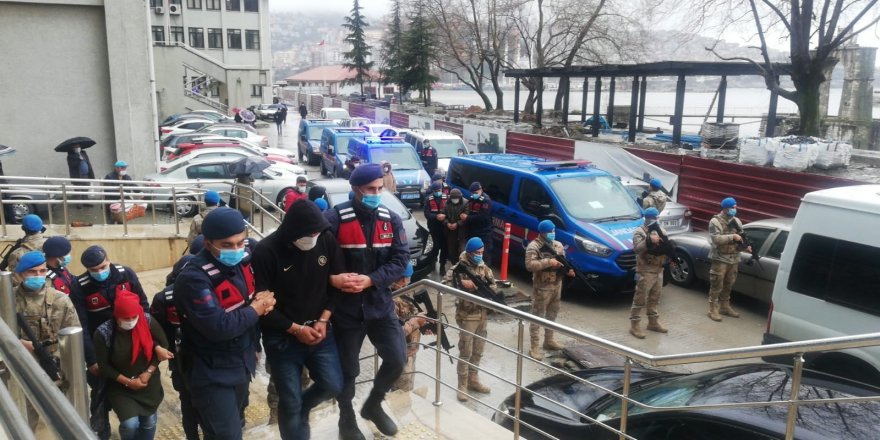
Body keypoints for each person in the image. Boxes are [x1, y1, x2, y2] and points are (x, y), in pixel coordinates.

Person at [174, 208, 276, 439]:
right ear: (209, 243)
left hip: (242, 363)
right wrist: (255, 309)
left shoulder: (244, 257)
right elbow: (218, 326)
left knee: (235, 425)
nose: (237, 249)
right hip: (212, 373)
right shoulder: (194, 278)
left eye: (241, 241)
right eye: (227, 245)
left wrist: (264, 297)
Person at [324, 163, 408, 440]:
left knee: (397, 358)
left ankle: (373, 404)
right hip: (345, 310)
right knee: (348, 371)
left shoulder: (391, 220)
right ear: (356, 189)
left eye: (380, 188)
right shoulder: (334, 219)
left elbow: (400, 261)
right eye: (370, 189)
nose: (376, 193)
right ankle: (346, 419)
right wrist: (334, 279)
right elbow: (316, 261)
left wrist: (372, 279)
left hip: (379, 304)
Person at [252, 199, 344, 439]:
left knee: (333, 384)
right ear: (292, 229)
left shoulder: (325, 239)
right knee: (289, 400)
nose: (313, 237)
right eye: (308, 233)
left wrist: (324, 319)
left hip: (320, 330)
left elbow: (336, 284)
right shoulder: (266, 251)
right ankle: (294, 420)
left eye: (316, 232)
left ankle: (302, 408)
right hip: (282, 338)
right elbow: (262, 306)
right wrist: (294, 329)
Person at [71, 245, 151, 440]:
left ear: (108, 260)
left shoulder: (125, 275)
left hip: (131, 343)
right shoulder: (79, 286)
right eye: (94, 270)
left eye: (103, 266)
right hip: (101, 346)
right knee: (101, 393)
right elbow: (80, 324)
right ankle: (102, 429)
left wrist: (146, 342)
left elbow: (143, 306)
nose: (100, 272)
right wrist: (91, 360)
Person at [14, 251, 80, 431]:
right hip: (20, 367)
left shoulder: (60, 300)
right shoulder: (8, 299)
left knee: (66, 416)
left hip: (55, 366)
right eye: (32, 272)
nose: (38, 276)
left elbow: (73, 336)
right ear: (20, 274)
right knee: (24, 418)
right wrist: (19, 344)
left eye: (42, 271)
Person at [94, 292, 170, 440]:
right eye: (126, 318)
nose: (131, 321)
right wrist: (129, 382)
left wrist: (148, 372)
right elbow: (104, 366)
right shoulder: (104, 333)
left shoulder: (146, 322)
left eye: (134, 317)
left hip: (148, 383)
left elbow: (163, 346)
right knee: (130, 424)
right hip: (120, 386)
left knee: (149, 422)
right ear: (116, 316)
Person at [446, 237, 494, 402]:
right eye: (477, 253)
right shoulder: (457, 268)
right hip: (467, 315)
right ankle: (462, 385)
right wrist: (461, 283)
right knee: (466, 351)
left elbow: (493, 286)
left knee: (478, 350)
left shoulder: (484, 268)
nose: (480, 255)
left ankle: (474, 379)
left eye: (482, 252)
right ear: (469, 252)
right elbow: (446, 285)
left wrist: (478, 286)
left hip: (482, 315)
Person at [525, 220, 573, 358]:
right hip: (542, 287)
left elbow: (563, 262)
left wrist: (568, 270)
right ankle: (534, 346)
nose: (553, 233)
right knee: (538, 316)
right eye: (550, 232)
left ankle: (549, 340)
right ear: (543, 233)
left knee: (552, 314)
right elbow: (529, 265)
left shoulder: (558, 245)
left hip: (557, 285)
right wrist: (548, 262)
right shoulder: (534, 246)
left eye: (553, 231)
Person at [628, 208, 671, 338]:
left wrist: (670, 258)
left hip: (659, 269)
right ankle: (634, 325)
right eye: (654, 217)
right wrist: (649, 240)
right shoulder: (639, 232)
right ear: (647, 218)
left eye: (657, 217)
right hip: (645, 270)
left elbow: (667, 247)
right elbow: (637, 249)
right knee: (640, 298)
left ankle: (653, 322)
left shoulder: (661, 230)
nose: (656, 220)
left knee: (655, 297)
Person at [707, 197, 749, 322]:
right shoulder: (715, 221)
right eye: (733, 208)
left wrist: (746, 247)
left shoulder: (737, 221)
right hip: (720, 258)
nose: (735, 210)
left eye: (735, 207)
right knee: (717, 284)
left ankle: (724, 306)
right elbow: (716, 239)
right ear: (725, 208)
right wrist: (732, 236)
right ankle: (712, 309)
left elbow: (741, 238)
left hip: (734, 258)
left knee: (729, 284)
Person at [390, 263, 427, 392]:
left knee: (408, 385)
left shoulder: (404, 292)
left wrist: (422, 325)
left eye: (408, 278)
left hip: (411, 349)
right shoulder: (390, 299)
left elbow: (411, 314)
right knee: (400, 388)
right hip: (399, 353)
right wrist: (416, 322)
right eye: (403, 278)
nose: (406, 281)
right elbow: (394, 333)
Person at [5, 214, 48, 278]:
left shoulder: (17, 253)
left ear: (22, 228)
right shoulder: (49, 244)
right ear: (41, 227)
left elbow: (15, 279)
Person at [461, 182, 493, 266]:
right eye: (472, 193)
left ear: (481, 190)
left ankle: (486, 275)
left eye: (476, 193)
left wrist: (467, 218)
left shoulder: (486, 200)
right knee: (473, 253)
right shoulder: (472, 198)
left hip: (484, 231)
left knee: (485, 254)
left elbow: (482, 216)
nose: (474, 194)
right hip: (474, 230)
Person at [423, 181, 448, 273]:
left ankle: (442, 265)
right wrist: (436, 216)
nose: (438, 192)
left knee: (444, 247)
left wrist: (445, 216)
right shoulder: (428, 199)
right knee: (434, 246)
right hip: (433, 227)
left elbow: (450, 211)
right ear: (433, 191)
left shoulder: (447, 198)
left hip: (444, 227)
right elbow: (426, 213)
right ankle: (433, 262)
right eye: (436, 190)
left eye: (439, 190)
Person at [443, 189, 468, 262]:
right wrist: (447, 223)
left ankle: (462, 267)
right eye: (453, 198)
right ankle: (454, 266)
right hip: (450, 231)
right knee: (452, 251)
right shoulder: (446, 203)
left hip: (462, 231)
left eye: (457, 198)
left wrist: (457, 224)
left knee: (462, 251)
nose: (455, 200)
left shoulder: (466, 203)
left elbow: (467, 217)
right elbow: (442, 215)